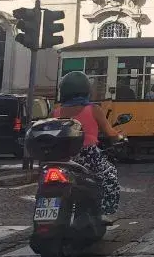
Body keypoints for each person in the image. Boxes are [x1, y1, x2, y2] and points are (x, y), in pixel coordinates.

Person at [53, 71, 125, 220]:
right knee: (110, 176)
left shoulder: (57, 111)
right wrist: (120, 137)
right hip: (88, 156)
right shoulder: (94, 109)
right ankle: (104, 212)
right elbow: (111, 134)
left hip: (63, 157)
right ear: (86, 90)